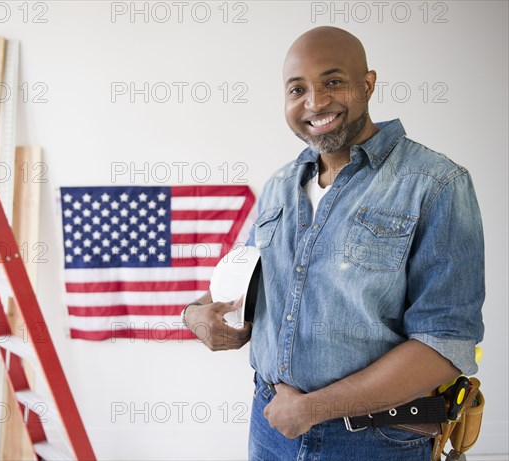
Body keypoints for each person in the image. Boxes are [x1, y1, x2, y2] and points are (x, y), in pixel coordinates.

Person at [181, 26, 485, 461]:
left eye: (333, 82)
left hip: (377, 441)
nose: (315, 102)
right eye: (297, 89)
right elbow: (242, 288)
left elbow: (446, 343)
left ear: (368, 83)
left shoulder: (436, 184)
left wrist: (311, 408)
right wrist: (194, 314)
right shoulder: (279, 186)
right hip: (271, 427)